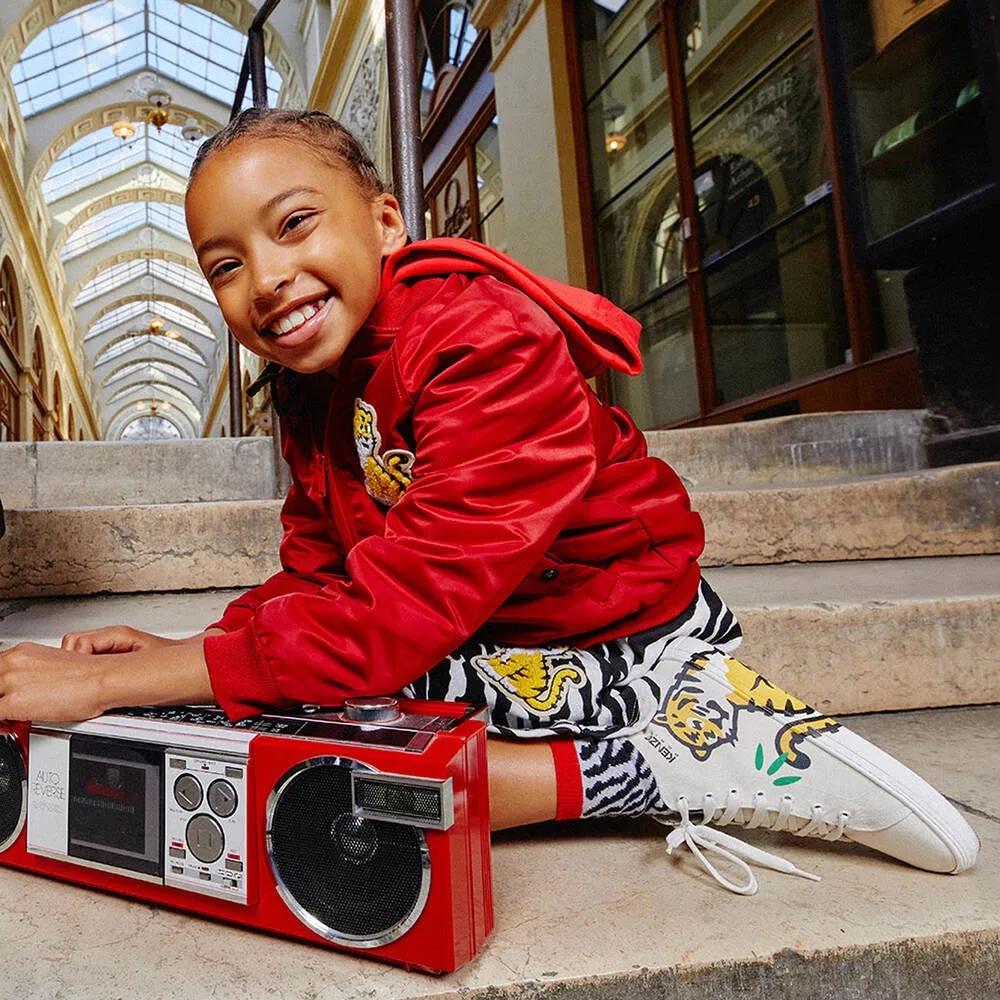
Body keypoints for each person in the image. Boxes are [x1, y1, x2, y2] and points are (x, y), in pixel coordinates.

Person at [0, 109, 977, 895]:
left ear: (385, 223)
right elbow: (319, 571)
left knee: (276, 709)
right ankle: (629, 764)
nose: (266, 278)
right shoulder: (314, 392)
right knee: (244, 707)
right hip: (496, 636)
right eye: (223, 264)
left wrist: (135, 681)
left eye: (294, 223)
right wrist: (197, 644)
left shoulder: (481, 344)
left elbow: (398, 612)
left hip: (619, 642)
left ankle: (688, 749)